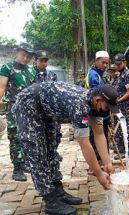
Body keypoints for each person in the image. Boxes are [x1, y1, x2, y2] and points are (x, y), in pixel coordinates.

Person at [12, 82, 117, 215]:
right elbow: (85, 144)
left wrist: (107, 163)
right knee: (37, 151)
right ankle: (50, 199)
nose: (108, 110)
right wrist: (98, 173)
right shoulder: (80, 106)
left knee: (51, 147)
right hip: (29, 104)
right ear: (97, 100)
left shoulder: (96, 106)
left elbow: (99, 133)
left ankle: (57, 190)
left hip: (47, 108)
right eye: (108, 106)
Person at [0, 43, 36, 181]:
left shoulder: (32, 71)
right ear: (17, 53)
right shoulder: (7, 67)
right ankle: (17, 168)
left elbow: (33, 90)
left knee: (27, 136)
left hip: (28, 108)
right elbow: (1, 87)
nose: (25, 58)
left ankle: (25, 162)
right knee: (15, 136)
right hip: (13, 107)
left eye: (28, 56)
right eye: (23, 55)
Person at [34, 50, 63, 163]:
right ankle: (40, 156)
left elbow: (55, 92)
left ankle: (53, 152)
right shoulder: (31, 74)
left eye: (46, 61)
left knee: (55, 133)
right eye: (41, 60)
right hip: (37, 111)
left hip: (50, 111)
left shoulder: (52, 75)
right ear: (35, 60)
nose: (44, 63)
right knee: (38, 135)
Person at [85, 50, 110, 161]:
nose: (105, 65)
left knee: (102, 135)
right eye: (103, 62)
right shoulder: (93, 75)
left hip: (101, 112)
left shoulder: (100, 74)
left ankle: (103, 160)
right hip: (95, 111)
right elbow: (97, 94)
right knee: (96, 136)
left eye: (106, 63)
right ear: (96, 61)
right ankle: (97, 162)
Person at [113, 53, 129, 159]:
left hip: (124, 106)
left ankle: (127, 152)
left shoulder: (127, 74)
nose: (117, 66)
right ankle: (121, 150)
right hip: (118, 106)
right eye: (116, 64)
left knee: (124, 128)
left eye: (119, 64)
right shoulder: (120, 74)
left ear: (125, 62)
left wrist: (119, 100)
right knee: (118, 129)